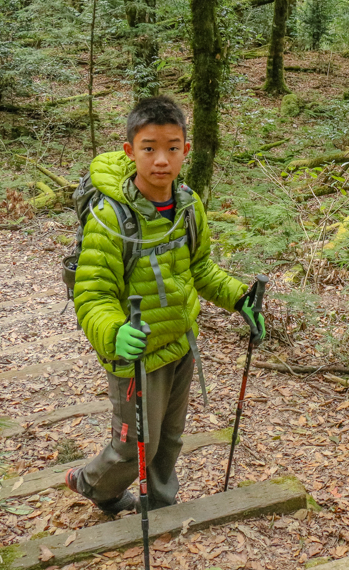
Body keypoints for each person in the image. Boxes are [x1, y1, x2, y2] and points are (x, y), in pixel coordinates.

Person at [64, 95, 263, 515]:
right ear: (129, 151)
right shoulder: (110, 217)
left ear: (185, 151)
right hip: (134, 350)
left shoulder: (188, 205)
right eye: (149, 147)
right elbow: (93, 293)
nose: (161, 160)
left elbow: (200, 267)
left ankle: (159, 504)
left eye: (172, 147)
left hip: (179, 340)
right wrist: (116, 332)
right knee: (136, 443)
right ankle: (91, 484)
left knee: (169, 437)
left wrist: (238, 298)